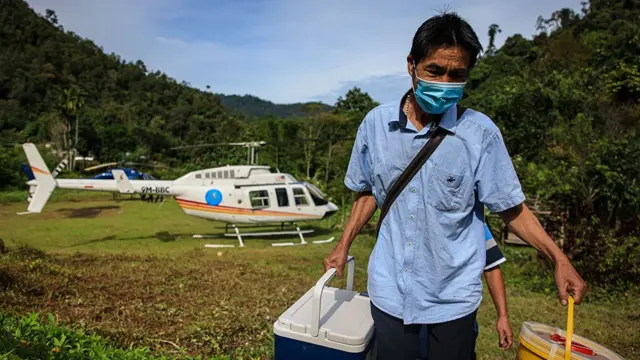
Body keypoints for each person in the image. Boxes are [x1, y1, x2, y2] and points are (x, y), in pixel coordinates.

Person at [322, 11, 586, 360]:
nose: (445, 82)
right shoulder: (375, 125)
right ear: (412, 65)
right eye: (435, 71)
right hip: (389, 291)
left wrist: (558, 257)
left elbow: (511, 207)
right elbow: (369, 190)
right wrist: (344, 243)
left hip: (452, 299)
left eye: (456, 74)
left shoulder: (480, 134)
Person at [418, 223, 512, 360]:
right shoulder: (414, 217)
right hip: (416, 311)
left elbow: (491, 267)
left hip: (456, 314)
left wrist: (503, 316)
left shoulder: (473, 222)